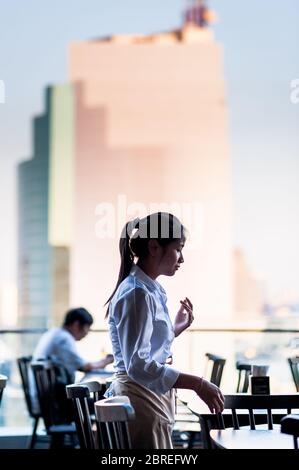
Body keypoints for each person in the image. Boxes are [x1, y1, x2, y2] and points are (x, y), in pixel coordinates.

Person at [105, 212, 224, 449]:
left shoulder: (147, 290)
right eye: (178, 249)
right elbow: (138, 365)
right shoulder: (137, 293)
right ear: (154, 247)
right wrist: (198, 383)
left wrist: (173, 330)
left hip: (146, 399)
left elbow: (144, 350)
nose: (181, 259)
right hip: (140, 401)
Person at [30, 307, 114, 413]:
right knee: (103, 403)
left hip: (47, 398)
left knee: (98, 401)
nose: (87, 332)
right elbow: (85, 366)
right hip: (53, 403)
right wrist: (107, 360)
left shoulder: (55, 333)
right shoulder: (63, 338)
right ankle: (96, 429)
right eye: (87, 327)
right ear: (76, 324)